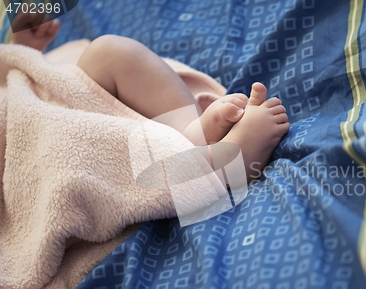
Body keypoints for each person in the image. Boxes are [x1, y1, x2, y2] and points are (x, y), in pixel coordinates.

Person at [9, 14, 290, 182]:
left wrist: (22, 53)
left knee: (111, 57)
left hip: (51, 99)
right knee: (109, 53)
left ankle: (194, 135)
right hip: (35, 142)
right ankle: (204, 156)